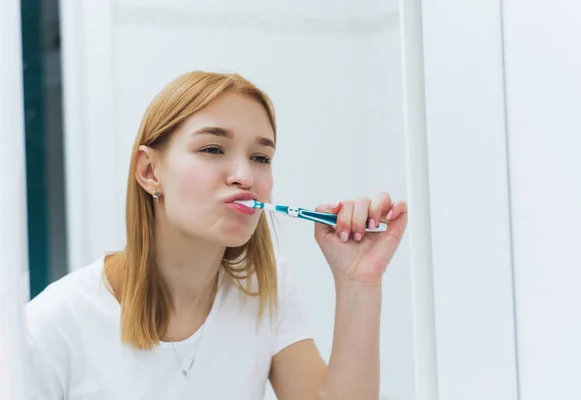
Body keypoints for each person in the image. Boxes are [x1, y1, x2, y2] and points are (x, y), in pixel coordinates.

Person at [24, 71, 408, 399]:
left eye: (261, 157)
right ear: (149, 172)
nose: (245, 175)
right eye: (212, 148)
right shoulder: (53, 325)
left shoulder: (264, 289)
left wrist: (359, 284)